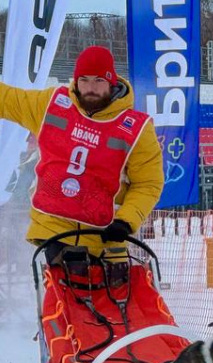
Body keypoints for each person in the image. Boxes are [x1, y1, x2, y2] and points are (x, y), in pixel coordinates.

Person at [0, 45, 163, 265]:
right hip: (54, 231)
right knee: (67, 284)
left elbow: (148, 183)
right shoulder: (51, 105)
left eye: (99, 81)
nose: (90, 88)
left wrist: (126, 221)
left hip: (107, 236)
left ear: (111, 82)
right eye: (84, 80)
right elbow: (7, 99)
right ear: (76, 81)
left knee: (120, 288)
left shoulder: (136, 129)